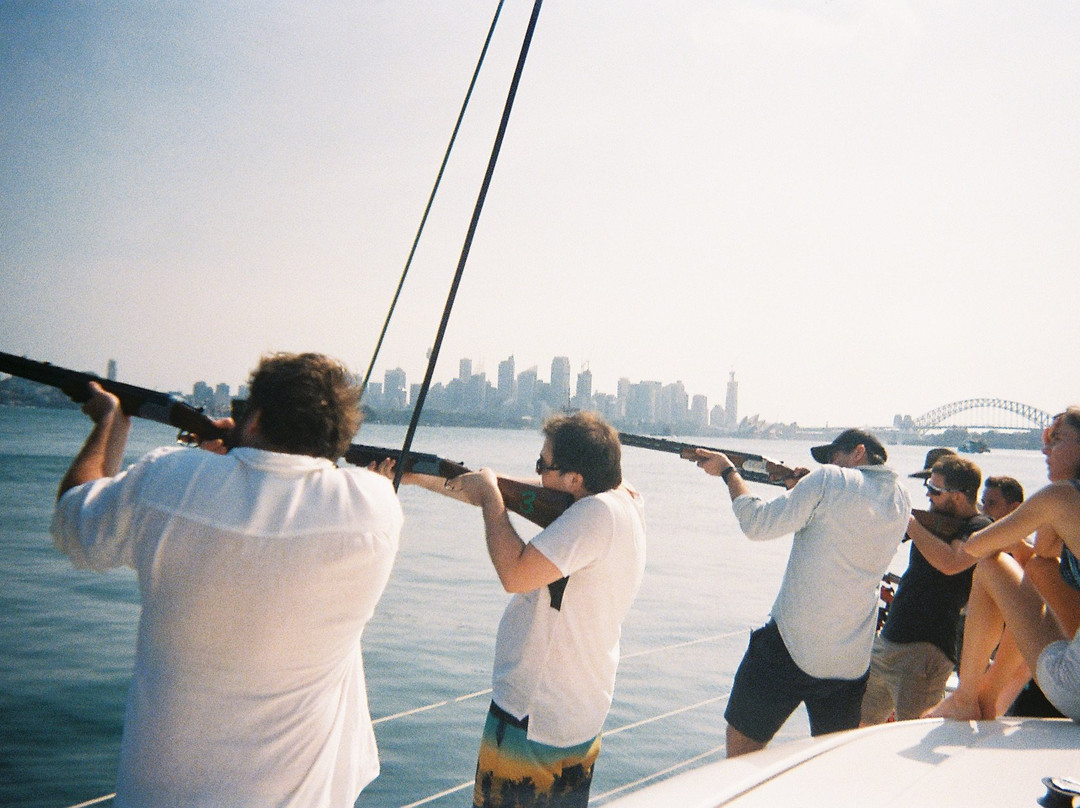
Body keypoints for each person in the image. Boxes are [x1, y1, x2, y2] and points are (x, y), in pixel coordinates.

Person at [51, 353, 402, 807]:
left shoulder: (169, 478)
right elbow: (295, 489)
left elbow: (74, 523)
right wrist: (236, 456)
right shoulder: (374, 510)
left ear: (254, 419)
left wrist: (111, 422)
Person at [398, 411, 645, 808]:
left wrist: (491, 499)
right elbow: (503, 490)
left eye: (542, 465)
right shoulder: (623, 498)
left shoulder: (593, 515)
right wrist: (414, 475)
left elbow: (514, 574)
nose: (538, 472)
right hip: (576, 713)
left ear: (575, 480)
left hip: (534, 720)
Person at [690, 428, 910, 757]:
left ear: (858, 453)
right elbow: (846, 524)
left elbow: (757, 524)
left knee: (740, 756)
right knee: (829, 764)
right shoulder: (900, 498)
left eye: (834, 458)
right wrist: (803, 491)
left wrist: (728, 472)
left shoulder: (829, 480)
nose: (831, 465)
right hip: (850, 662)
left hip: (791, 648)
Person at [921, 407, 1080, 721]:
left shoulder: (1061, 497)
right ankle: (987, 698)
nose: (1045, 448)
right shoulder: (1062, 501)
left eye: (1056, 439)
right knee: (1037, 569)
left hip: (1074, 689)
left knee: (991, 565)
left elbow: (976, 545)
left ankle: (968, 698)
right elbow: (1045, 554)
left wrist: (1007, 534)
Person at [860, 454, 991, 725]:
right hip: (889, 642)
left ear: (958, 495)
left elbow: (951, 562)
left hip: (926, 652)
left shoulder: (979, 527)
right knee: (856, 730)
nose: (928, 495)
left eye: (934, 490)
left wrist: (910, 523)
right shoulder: (933, 521)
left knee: (913, 733)